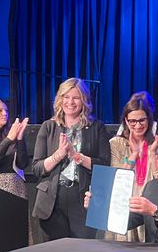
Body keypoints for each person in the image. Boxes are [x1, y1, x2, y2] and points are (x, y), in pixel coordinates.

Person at [31, 78, 110, 240]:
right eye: (66, 97)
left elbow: (104, 165)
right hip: (52, 199)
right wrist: (59, 155)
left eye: (76, 97)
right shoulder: (48, 126)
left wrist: (77, 156)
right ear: (60, 99)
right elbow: (37, 168)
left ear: (84, 101)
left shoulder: (97, 127)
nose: (70, 102)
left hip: (82, 199)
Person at [108, 94, 158, 241]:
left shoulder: (157, 144)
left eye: (142, 120)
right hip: (125, 208)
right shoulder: (116, 144)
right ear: (126, 121)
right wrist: (133, 155)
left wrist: (152, 154)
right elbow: (118, 178)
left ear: (149, 120)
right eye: (133, 121)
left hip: (149, 207)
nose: (138, 125)